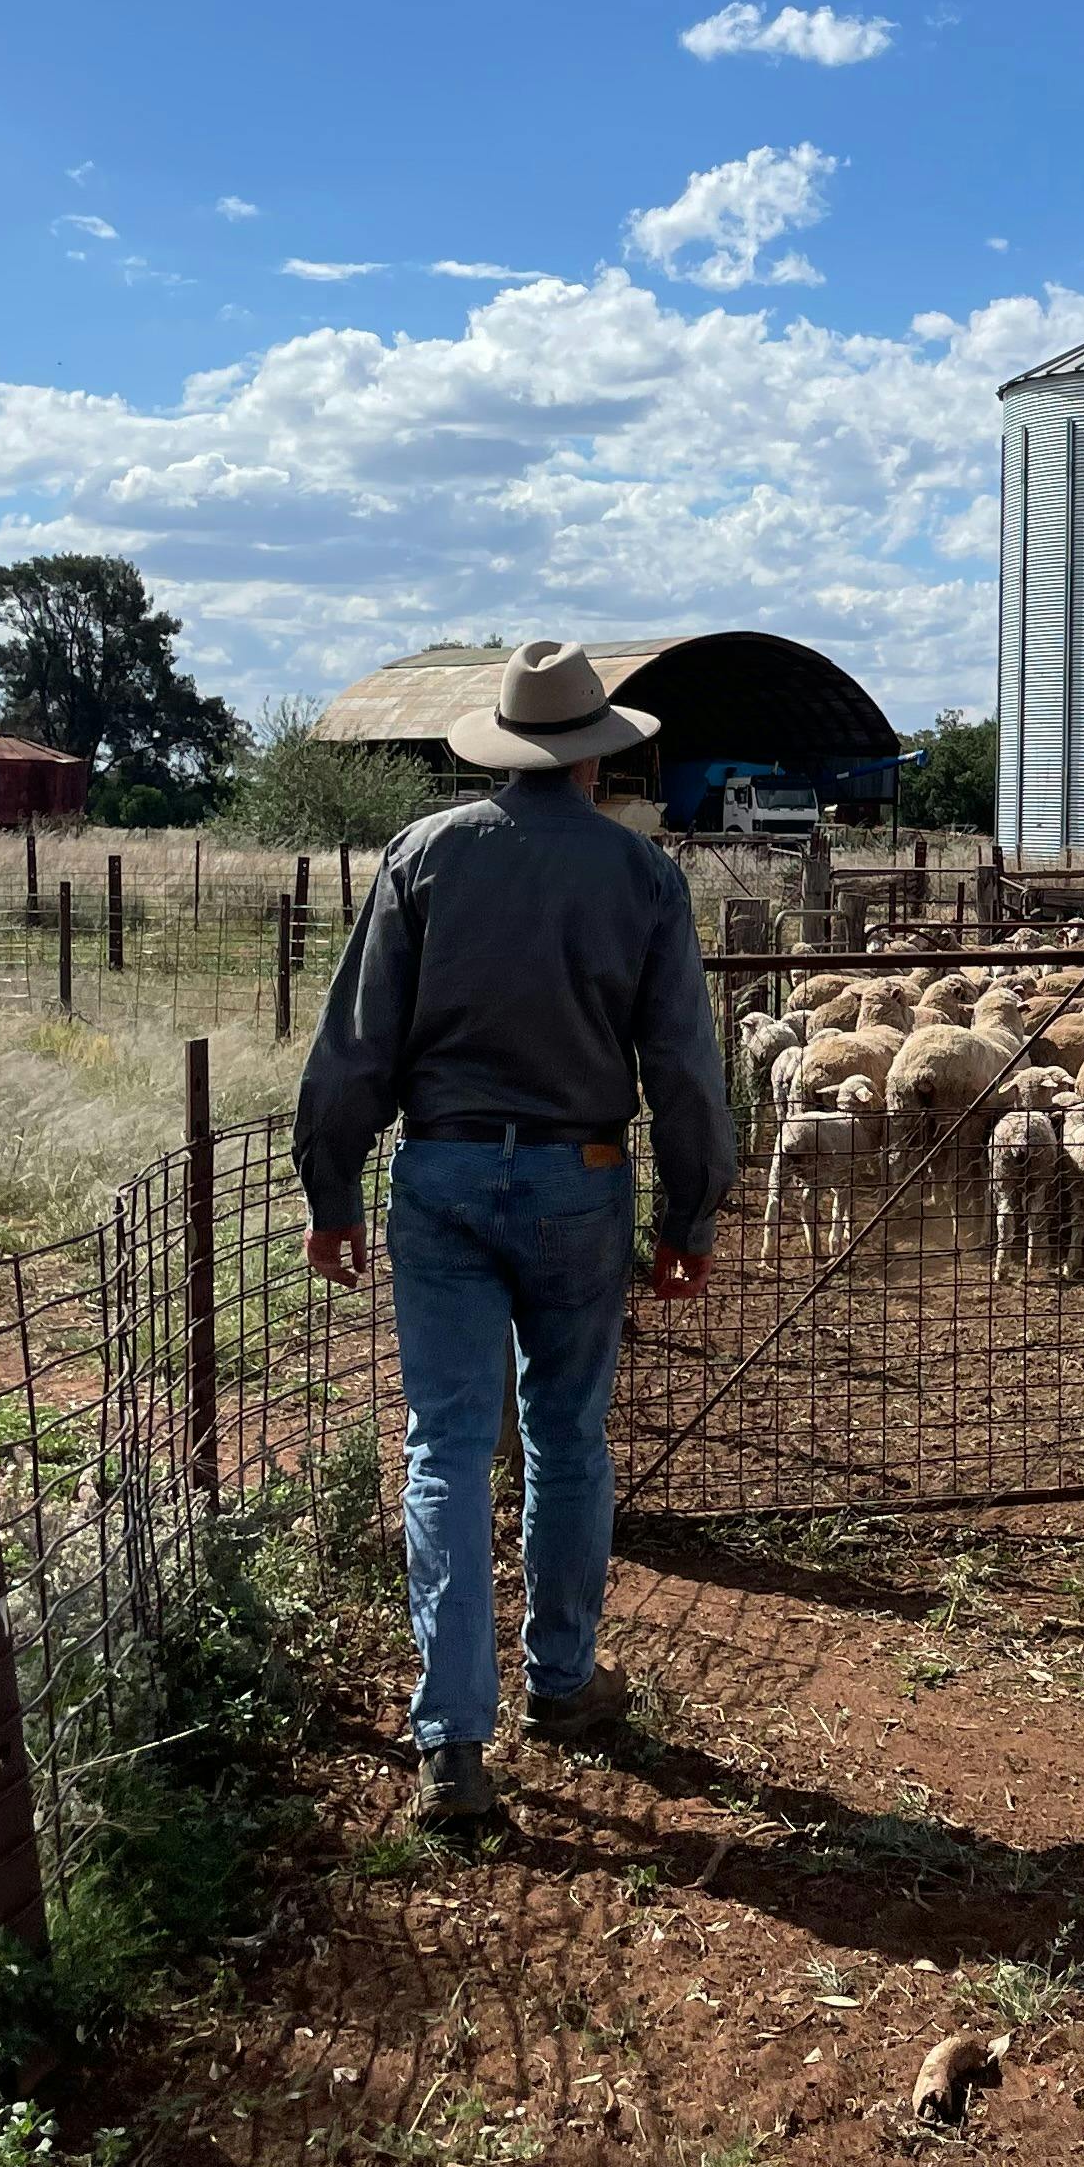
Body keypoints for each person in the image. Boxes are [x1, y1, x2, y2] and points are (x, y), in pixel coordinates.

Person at [293, 638, 735, 1825]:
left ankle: (450, 1741)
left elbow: (356, 1042)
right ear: (596, 758)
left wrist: (330, 1188)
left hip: (437, 1173)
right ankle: (563, 1677)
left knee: (442, 1445)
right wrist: (692, 1209)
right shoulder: (642, 879)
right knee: (567, 1434)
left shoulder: (424, 856)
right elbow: (684, 1064)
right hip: (579, 1177)